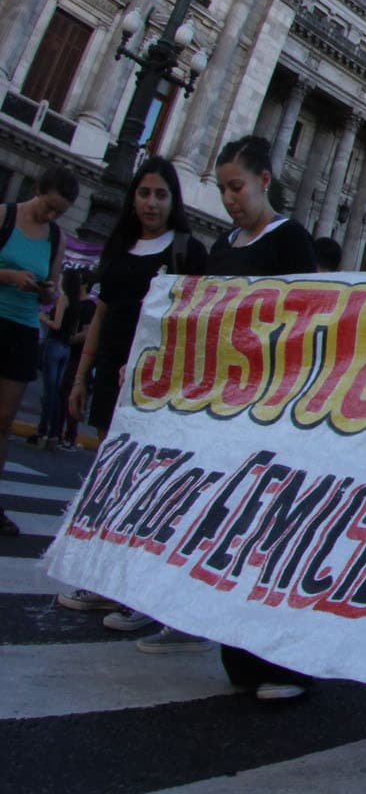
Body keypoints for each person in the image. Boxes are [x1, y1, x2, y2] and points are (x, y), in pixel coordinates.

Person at [55, 157, 209, 630]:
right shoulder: (120, 245)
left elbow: (198, 320)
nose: (150, 203)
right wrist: (81, 377)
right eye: (144, 193)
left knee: (148, 485)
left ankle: (139, 589)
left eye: (161, 194)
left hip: (154, 381)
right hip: (109, 372)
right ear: (133, 198)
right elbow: (101, 315)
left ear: (173, 200)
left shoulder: (187, 250)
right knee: (109, 479)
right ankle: (105, 579)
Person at [196, 136, 321, 695]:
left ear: (264, 180)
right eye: (223, 188)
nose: (229, 199)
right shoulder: (222, 242)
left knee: (267, 532)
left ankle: (280, 659)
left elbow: (313, 318)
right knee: (227, 529)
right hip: (223, 405)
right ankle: (239, 656)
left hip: (271, 403)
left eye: (236, 186)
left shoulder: (290, 239)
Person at [0, 164, 76, 537]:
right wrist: (9, 277)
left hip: (24, 328)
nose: (50, 216)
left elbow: (55, 288)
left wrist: (47, 291)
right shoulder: (5, 215)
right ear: (36, 190)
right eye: (48, 207)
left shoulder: (55, 236)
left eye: (58, 212)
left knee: (3, 421)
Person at [29, 268, 73, 448]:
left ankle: (43, 431)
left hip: (55, 344)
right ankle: (54, 432)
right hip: (66, 347)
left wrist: (44, 318)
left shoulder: (63, 299)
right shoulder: (76, 302)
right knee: (55, 391)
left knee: (50, 392)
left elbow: (57, 324)